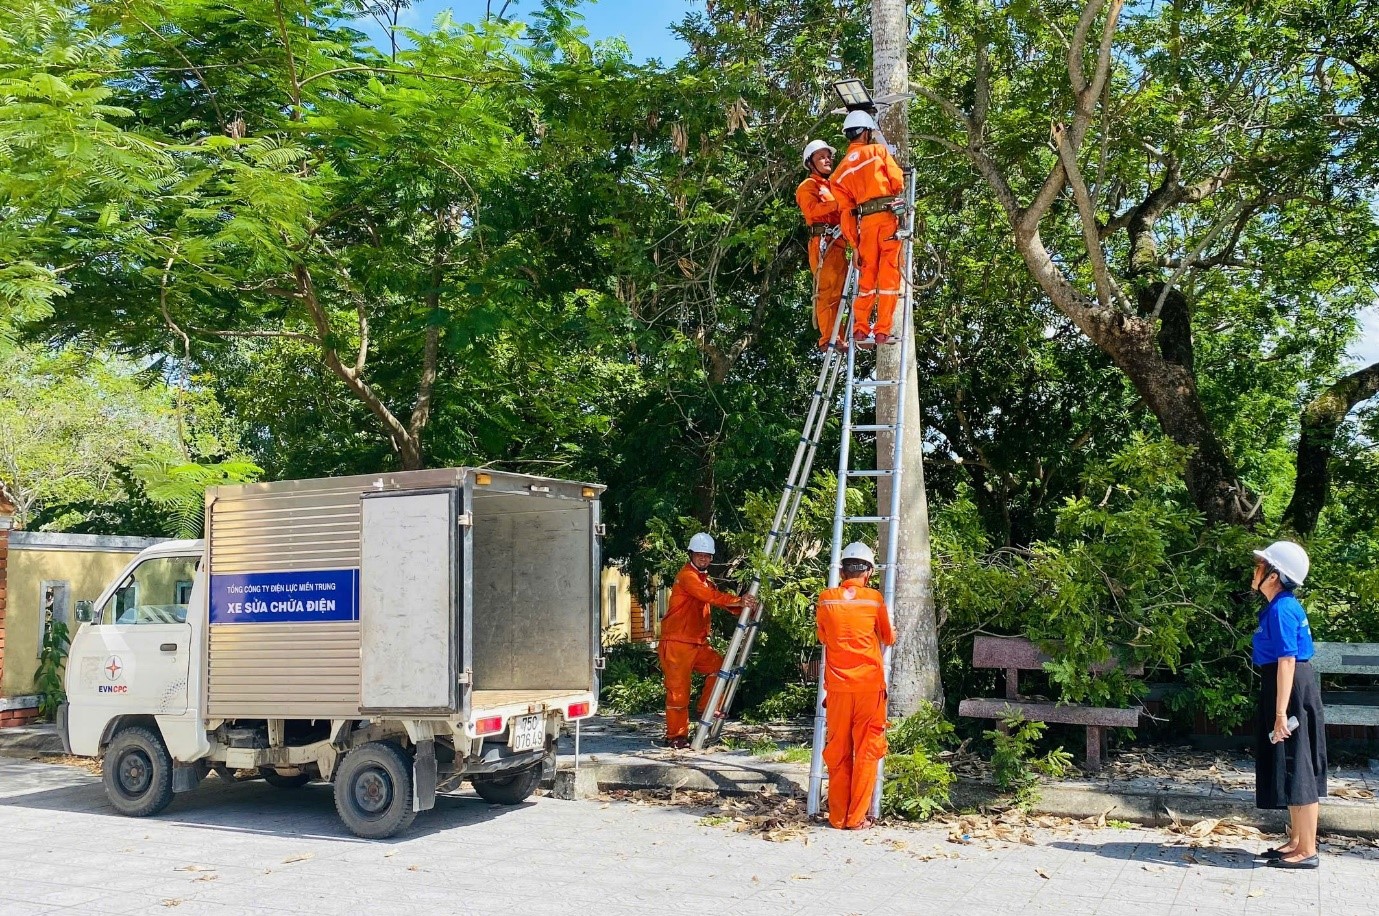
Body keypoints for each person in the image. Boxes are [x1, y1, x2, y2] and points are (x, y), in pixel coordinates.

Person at [1250, 540, 1327, 869]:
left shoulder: (1282, 609)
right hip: (1289, 684)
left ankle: (1307, 849)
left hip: (1290, 686)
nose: (1255, 570)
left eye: (1261, 565)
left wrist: (1281, 713)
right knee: (1293, 761)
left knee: (1299, 764)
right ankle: (1296, 840)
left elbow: (1286, 660)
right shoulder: (1278, 605)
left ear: (1274, 575)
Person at [816, 541, 894, 829]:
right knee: (867, 751)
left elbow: (823, 636)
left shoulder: (826, 599)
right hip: (869, 689)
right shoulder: (874, 599)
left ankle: (837, 818)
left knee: (837, 751)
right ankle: (856, 818)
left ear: (842, 570)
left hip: (837, 690)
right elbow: (888, 637)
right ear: (869, 572)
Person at [659, 532, 760, 749]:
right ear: (691, 555)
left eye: (707, 556)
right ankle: (676, 737)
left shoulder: (705, 580)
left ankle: (707, 707)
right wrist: (739, 601)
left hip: (697, 643)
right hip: (677, 643)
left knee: (719, 667)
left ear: (711, 558)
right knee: (678, 693)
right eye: (699, 555)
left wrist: (744, 609)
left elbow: (718, 600)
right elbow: (710, 597)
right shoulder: (688, 577)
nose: (703, 559)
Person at [828, 110, 906, 348]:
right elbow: (898, 182)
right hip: (886, 219)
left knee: (867, 279)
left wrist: (855, 245)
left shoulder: (838, 173)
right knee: (888, 277)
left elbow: (846, 213)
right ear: (866, 132)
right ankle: (882, 331)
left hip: (865, 227)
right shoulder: (877, 152)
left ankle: (861, 329)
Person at [796, 139, 850, 351]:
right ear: (811, 163)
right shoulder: (808, 186)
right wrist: (838, 204)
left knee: (839, 292)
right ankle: (829, 337)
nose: (827, 160)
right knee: (827, 291)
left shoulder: (834, 186)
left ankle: (840, 335)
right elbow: (811, 211)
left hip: (839, 243)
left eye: (828, 156)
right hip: (823, 243)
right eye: (821, 157)